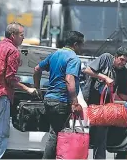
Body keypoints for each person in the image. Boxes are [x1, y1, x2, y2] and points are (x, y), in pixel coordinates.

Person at [0, 22, 38, 160]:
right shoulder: (13, 51)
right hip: (1, 95)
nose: (23, 38)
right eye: (21, 35)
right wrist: (28, 89)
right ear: (13, 35)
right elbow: (10, 78)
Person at [33, 31, 84, 159]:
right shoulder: (73, 58)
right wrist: (75, 102)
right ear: (75, 44)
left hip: (49, 99)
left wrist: (37, 88)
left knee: (57, 133)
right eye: (81, 45)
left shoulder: (55, 54)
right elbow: (69, 79)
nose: (82, 48)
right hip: (61, 101)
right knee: (57, 134)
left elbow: (36, 69)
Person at [82, 46, 127, 159]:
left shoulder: (124, 73)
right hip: (88, 102)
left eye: (126, 61)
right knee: (83, 133)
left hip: (104, 109)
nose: (123, 63)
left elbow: (122, 94)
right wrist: (105, 78)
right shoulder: (105, 58)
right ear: (116, 56)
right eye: (122, 59)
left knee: (101, 137)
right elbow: (87, 70)